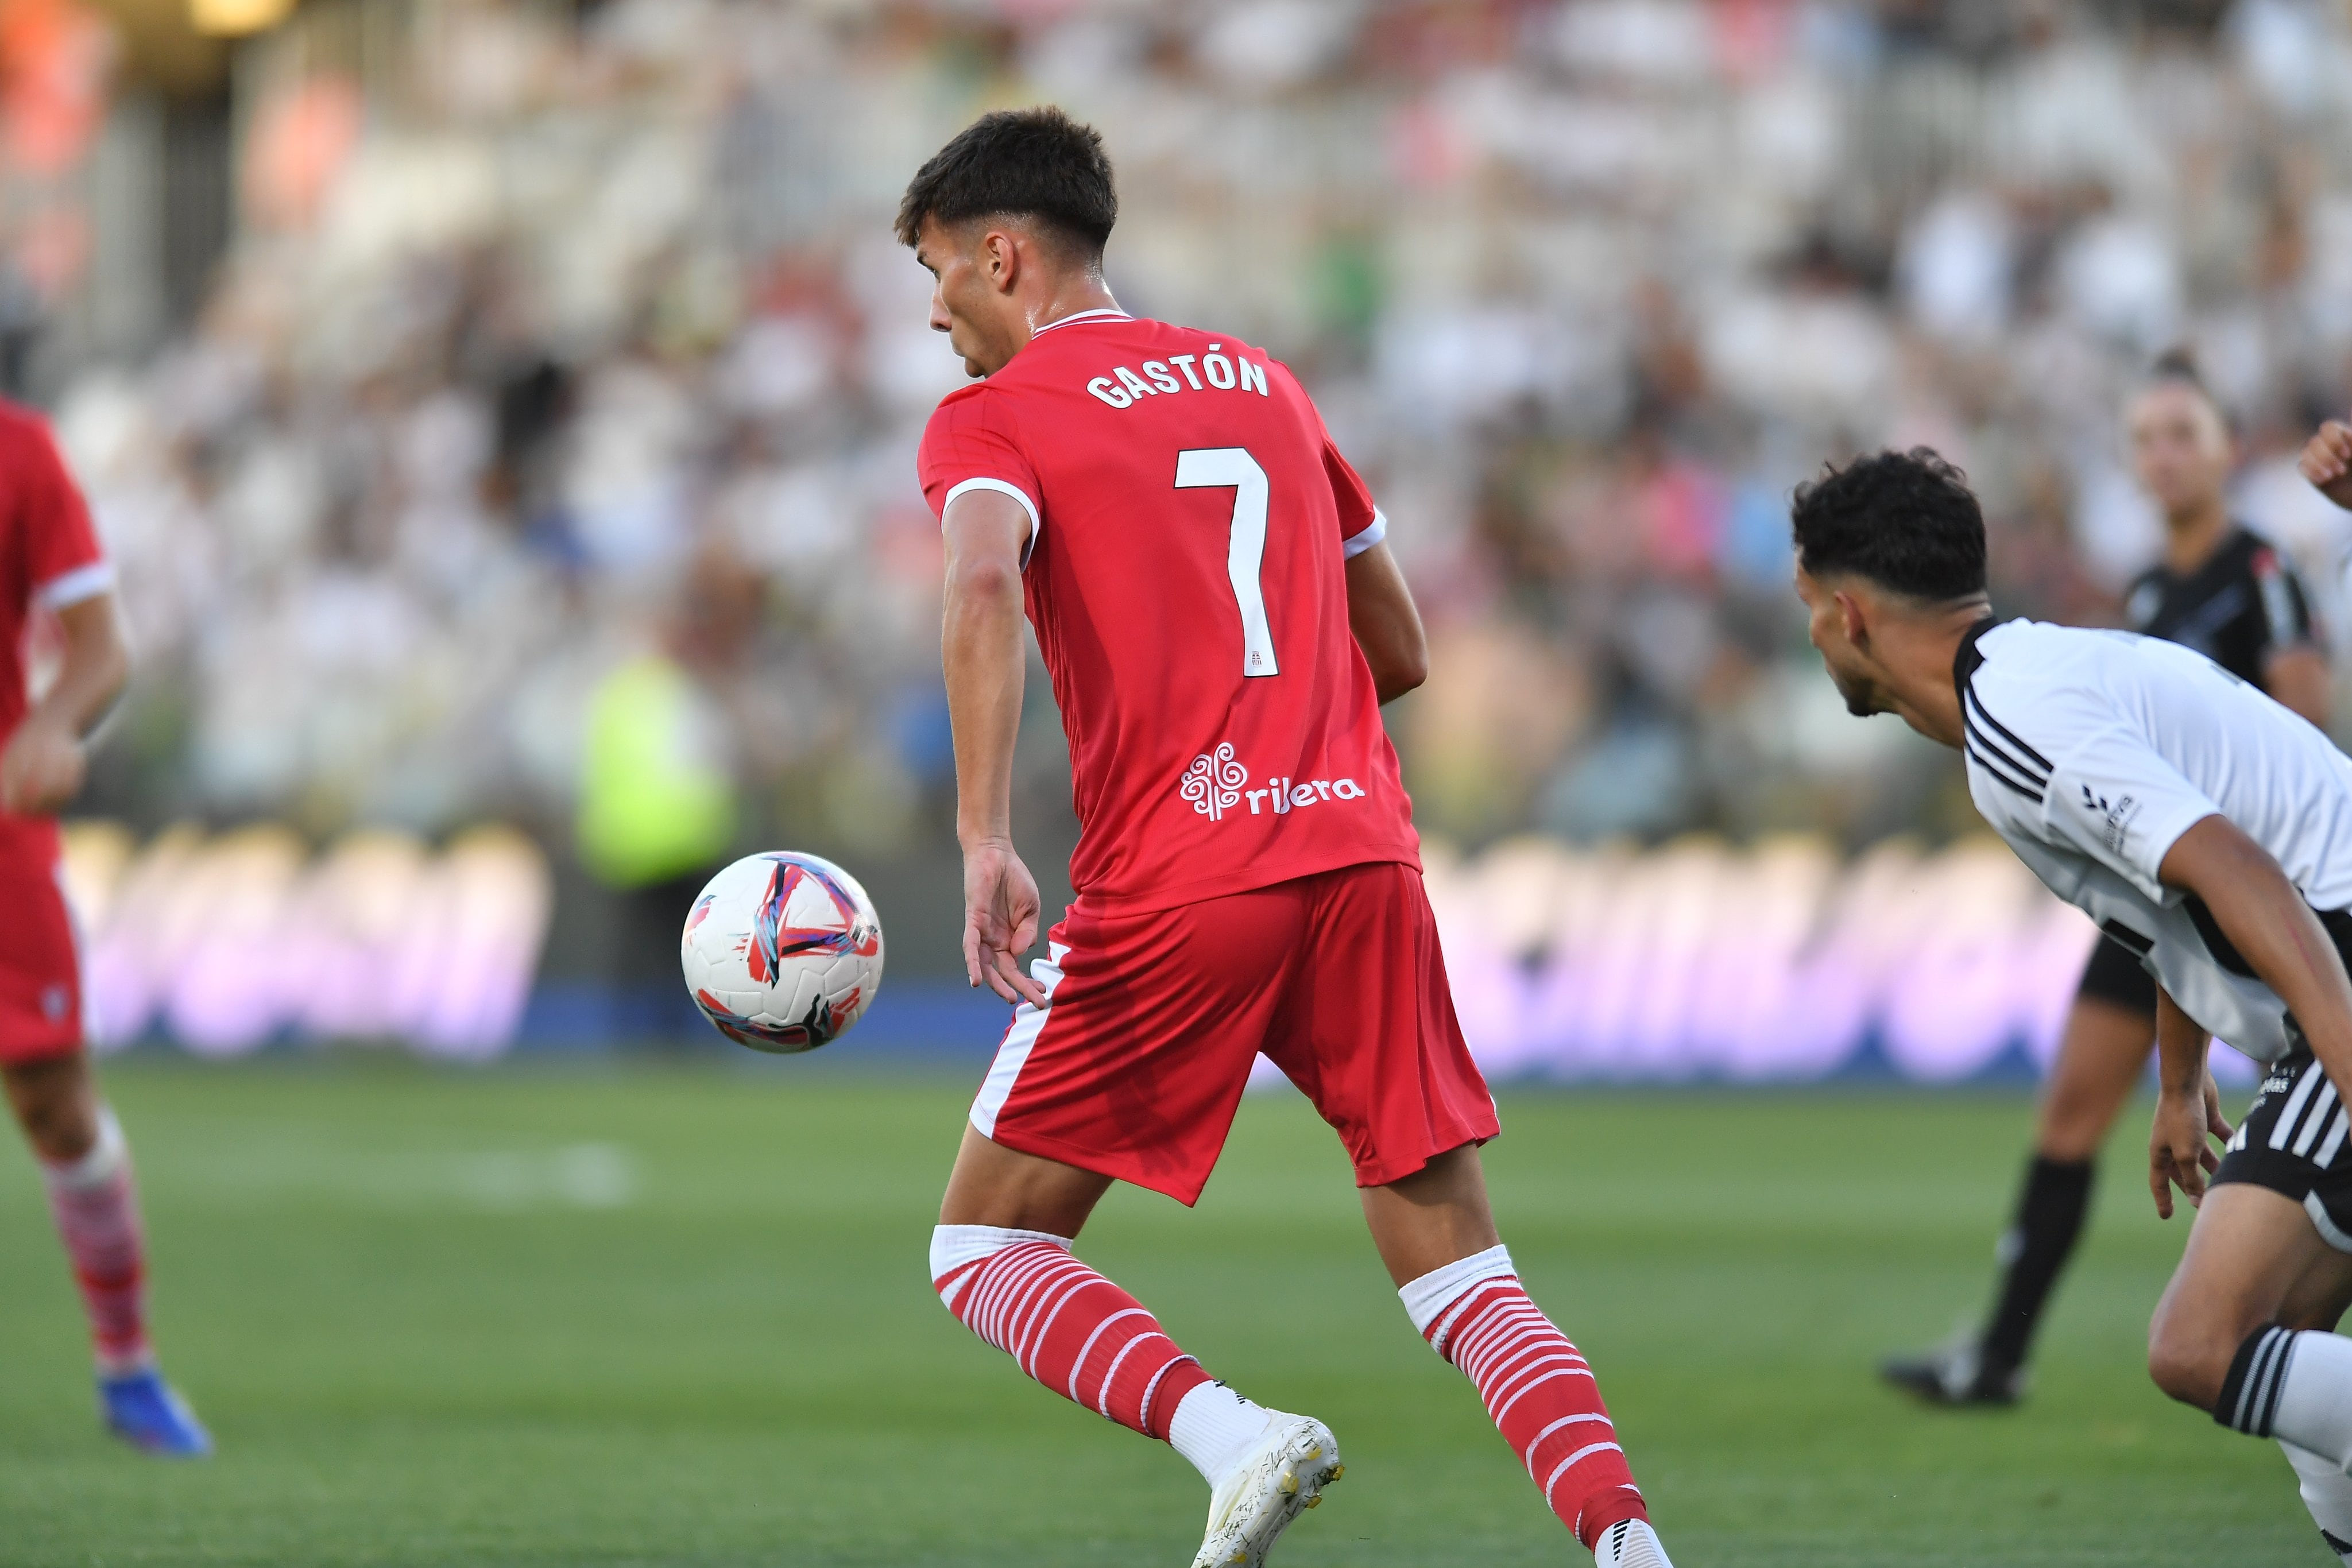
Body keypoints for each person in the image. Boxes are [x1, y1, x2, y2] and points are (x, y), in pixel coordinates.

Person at [902, 108, 1672, 1568]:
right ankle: (1630, 1549)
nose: (934, 311)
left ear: (1001, 254)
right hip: (1360, 855)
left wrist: (982, 833)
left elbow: (982, 586)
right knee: (1462, 1263)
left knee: (981, 1243)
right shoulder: (1264, 381)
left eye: (940, 272)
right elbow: (1397, 644)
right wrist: (1278, 719)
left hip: (1183, 874)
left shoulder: (993, 420)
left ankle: (1235, 1437)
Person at [1792, 446, 2352, 1562]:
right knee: (2276, 1343)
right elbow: (2176, 884)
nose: (1810, 635)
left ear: (1849, 613)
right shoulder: (2035, 677)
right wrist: (2180, 1076)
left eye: (1807, 609)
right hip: (2319, 978)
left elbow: (2240, 873)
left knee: (2199, 1344)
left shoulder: (2017, 721)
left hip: (2337, 974)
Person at [1885, 354, 2332, 1407]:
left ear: (2227, 451)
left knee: (2233, 1319)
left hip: (2251, 887)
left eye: (2185, 433)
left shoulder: (2260, 573)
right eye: (2147, 440)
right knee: (2072, 1118)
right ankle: (2000, 1349)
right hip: (2159, 885)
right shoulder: (2144, 588)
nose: (2164, 457)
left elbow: (2298, 730)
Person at [0, 400, 208, 1454]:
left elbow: (101, 649)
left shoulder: (19, 453)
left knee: (54, 1104)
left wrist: (46, 722)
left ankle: (127, 1366)